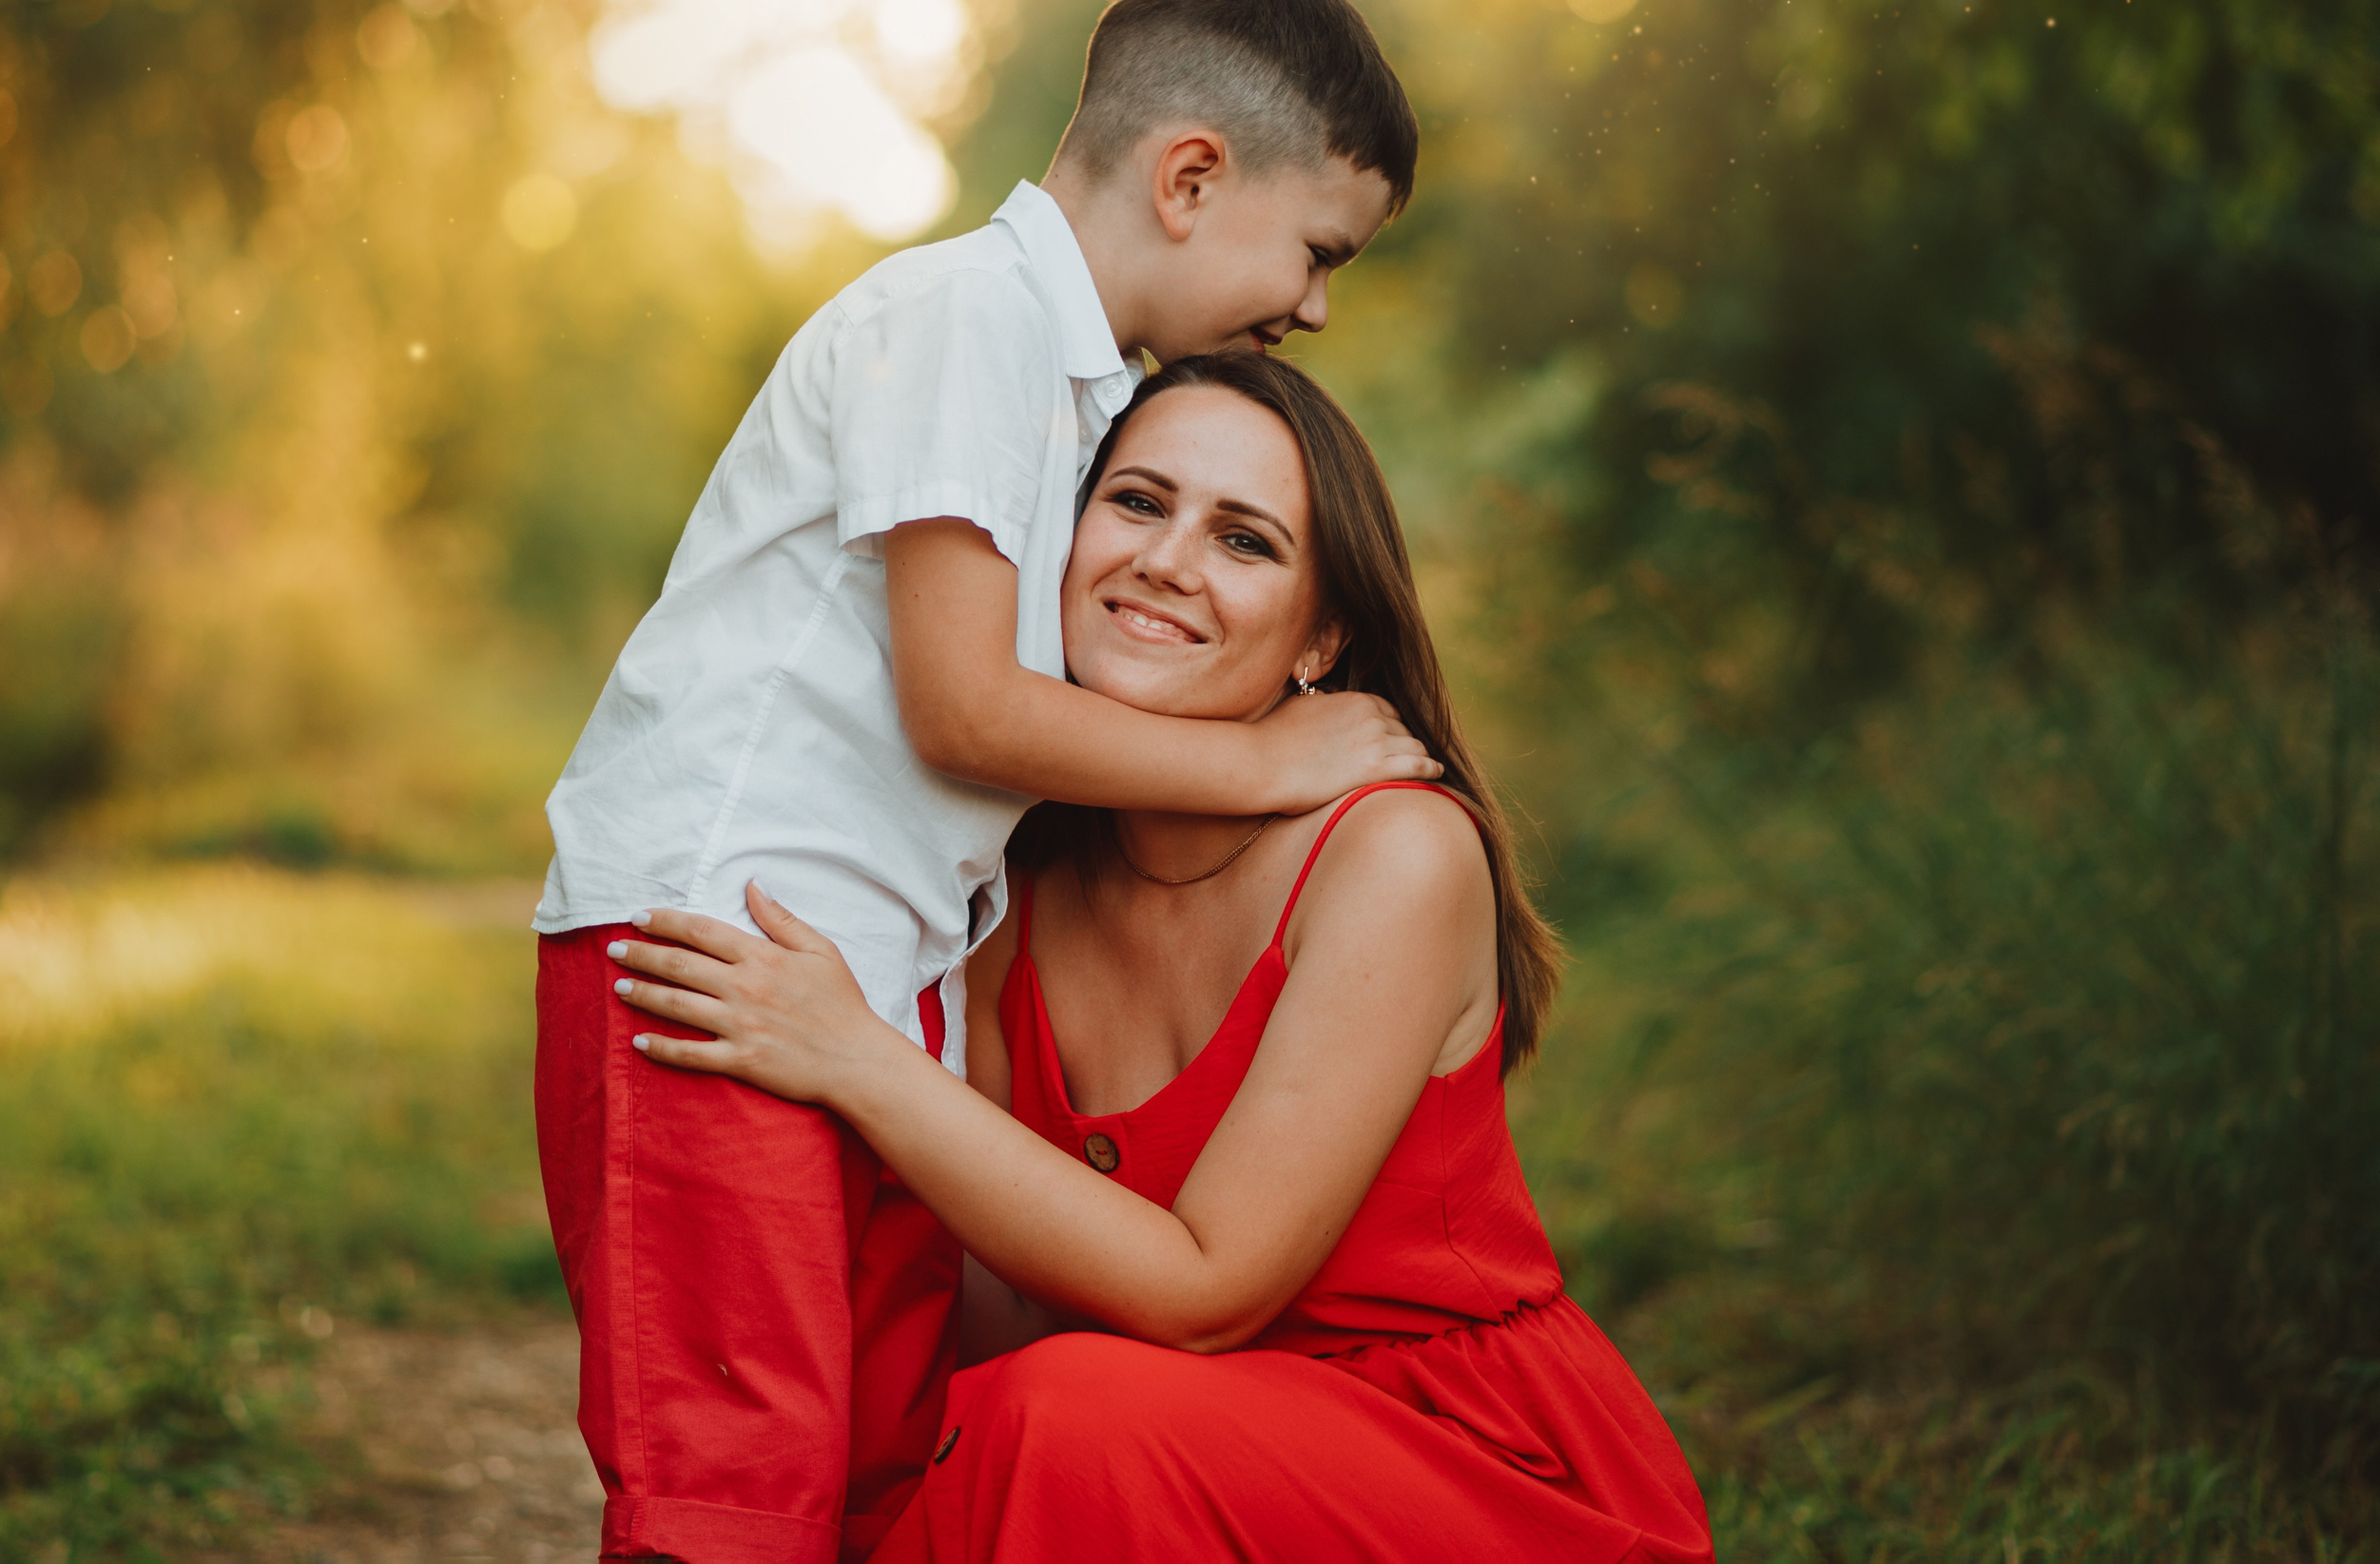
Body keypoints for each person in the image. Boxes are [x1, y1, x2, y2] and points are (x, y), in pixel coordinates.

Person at [532, 0, 1433, 1564]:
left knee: (881, 1456)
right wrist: (1273, 762)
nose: (1311, 303)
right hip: (713, 953)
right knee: (732, 1482)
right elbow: (964, 706)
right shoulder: (968, 317)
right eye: (1315, 250)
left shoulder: (1067, 381)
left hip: (858, 977)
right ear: (1190, 175)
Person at [610, 354, 1715, 1562]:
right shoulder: (1013, 889)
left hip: (1466, 1467)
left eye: (1244, 541)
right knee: (923, 1419)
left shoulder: (1395, 851)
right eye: (1136, 501)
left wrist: (855, 1060)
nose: (1168, 561)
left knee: (1057, 1417)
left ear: (1322, 634)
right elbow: (1007, 1300)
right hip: (1157, 1455)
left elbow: (1202, 1294)